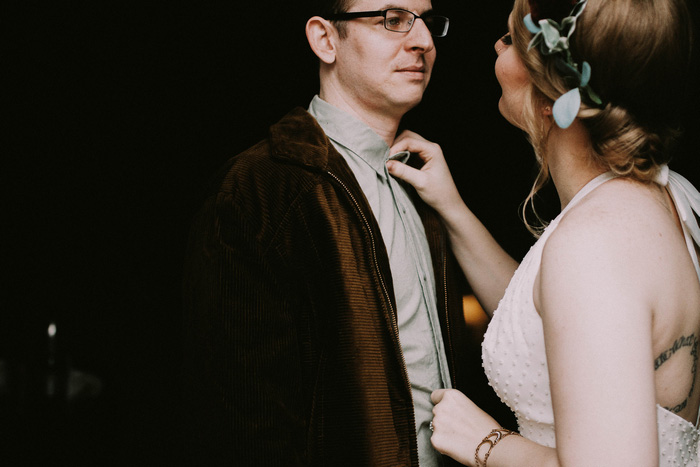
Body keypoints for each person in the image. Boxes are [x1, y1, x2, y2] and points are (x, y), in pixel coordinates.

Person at [386, 0, 700, 465]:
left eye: (511, 39)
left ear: (557, 95)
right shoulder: (661, 192)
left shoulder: (596, 242)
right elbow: (551, 321)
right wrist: (452, 208)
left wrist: (486, 443)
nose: (496, 44)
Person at [181, 1, 483, 465]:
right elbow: (246, 422)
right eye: (393, 19)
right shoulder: (260, 187)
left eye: (427, 21)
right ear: (325, 39)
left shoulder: (421, 180)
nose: (422, 41)